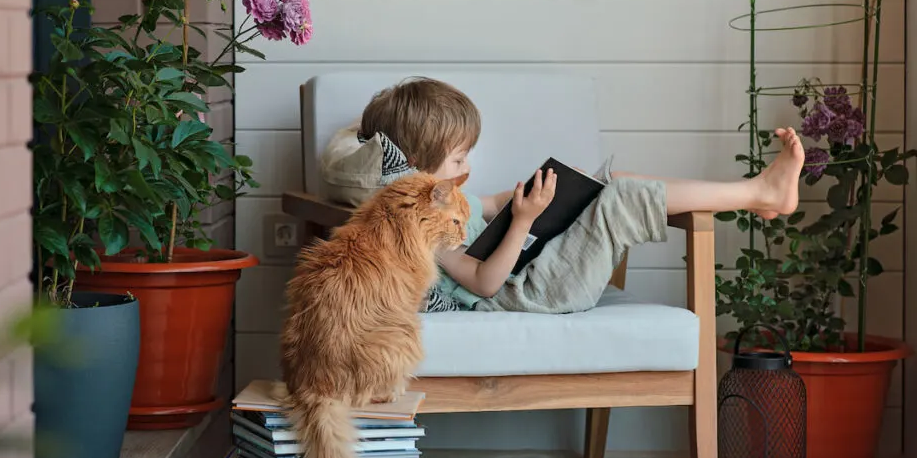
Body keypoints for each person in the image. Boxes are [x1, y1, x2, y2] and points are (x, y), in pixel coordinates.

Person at [319, 77, 805, 314]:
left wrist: (539, 192)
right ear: (422, 167)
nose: (467, 168)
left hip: (529, 278)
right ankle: (758, 191)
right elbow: (486, 283)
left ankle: (758, 194)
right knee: (624, 197)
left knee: (612, 185)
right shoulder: (423, 228)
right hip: (522, 296)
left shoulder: (441, 201)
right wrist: (524, 220)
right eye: (458, 159)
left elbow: (493, 203)